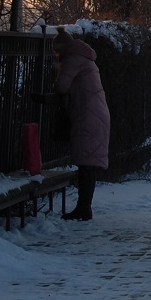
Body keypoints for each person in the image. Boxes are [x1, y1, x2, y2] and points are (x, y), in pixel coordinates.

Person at [48, 27, 111, 221]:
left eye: (56, 52)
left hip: (87, 114)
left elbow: (62, 86)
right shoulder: (84, 57)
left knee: (87, 164)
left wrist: (55, 78)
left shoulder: (73, 59)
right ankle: (84, 207)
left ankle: (84, 209)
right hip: (94, 112)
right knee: (88, 164)